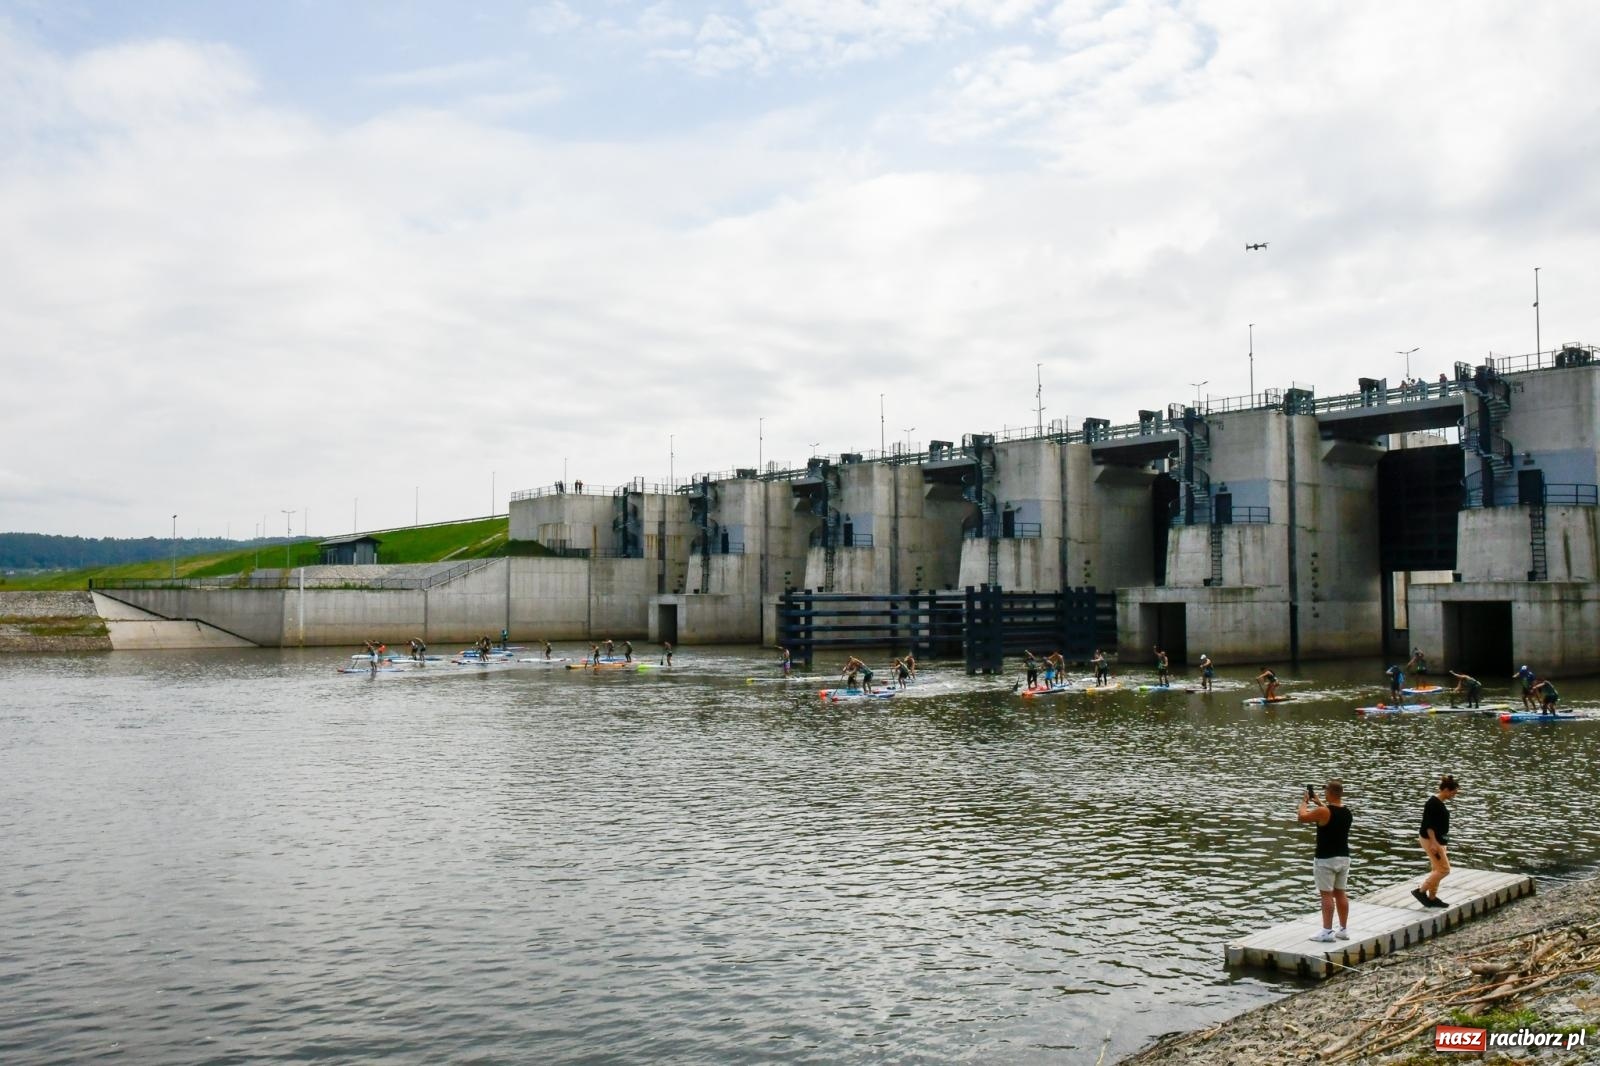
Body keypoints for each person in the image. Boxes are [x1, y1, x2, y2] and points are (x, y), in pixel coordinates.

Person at [1298, 779, 1353, 942]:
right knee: (1340, 893)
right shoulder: (1346, 812)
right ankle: (1343, 929)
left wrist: (1304, 802)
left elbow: (1302, 817)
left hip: (1325, 859)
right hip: (1343, 858)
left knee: (1326, 895)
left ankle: (1327, 931)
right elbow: (1330, 814)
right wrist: (1319, 802)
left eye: (1325, 791)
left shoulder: (1324, 812)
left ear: (1330, 793)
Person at [1413, 775, 1459, 908]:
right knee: (1444, 869)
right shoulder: (1432, 804)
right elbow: (1429, 826)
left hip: (1439, 840)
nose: (1453, 795)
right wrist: (1434, 843)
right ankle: (1421, 891)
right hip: (1431, 840)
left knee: (1436, 869)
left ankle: (1432, 898)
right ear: (1445, 789)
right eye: (1453, 792)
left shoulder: (1439, 803)